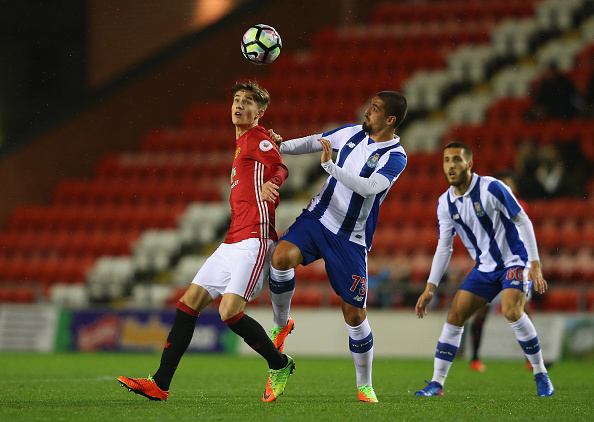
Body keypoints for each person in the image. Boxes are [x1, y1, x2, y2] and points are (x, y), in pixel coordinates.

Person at [118, 81, 295, 403]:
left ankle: (279, 364)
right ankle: (160, 384)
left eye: (248, 102)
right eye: (236, 100)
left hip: (255, 239)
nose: (239, 105)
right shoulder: (242, 143)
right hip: (231, 242)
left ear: (260, 112)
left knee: (229, 312)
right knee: (188, 305)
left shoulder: (256, 138)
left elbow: (279, 166)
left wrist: (273, 182)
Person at [266, 91, 408, 403]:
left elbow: (369, 187)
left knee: (355, 315)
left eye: (375, 108)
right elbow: (315, 142)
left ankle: (364, 384)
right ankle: (280, 326)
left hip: (350, 238)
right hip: (318, 218)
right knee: (279, 258)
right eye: (369, 105)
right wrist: (280, 146)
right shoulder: (351, 132)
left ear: (390, 119)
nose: (367, 111)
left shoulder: (395, 156)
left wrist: (331, 168)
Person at [414, 142, 554, 397]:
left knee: (512, 311)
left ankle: (540, 373)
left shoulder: (492, 187)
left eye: (457, 159)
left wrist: (535, 264)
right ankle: (436, 383)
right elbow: (444, 247)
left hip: (514, 261)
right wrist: (430, 287)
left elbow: (522, 219)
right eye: (446, 160)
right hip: (486, 268)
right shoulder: (445, 203)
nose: (451, 165)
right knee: (455, 314)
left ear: (469, 164)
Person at [467, 171, 534, 373]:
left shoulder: (520, 206)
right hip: (491, 265)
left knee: (522, 311)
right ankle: (475, 358)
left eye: (509, 184)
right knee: (482, 312)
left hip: (515, 265)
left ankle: (531, 359)